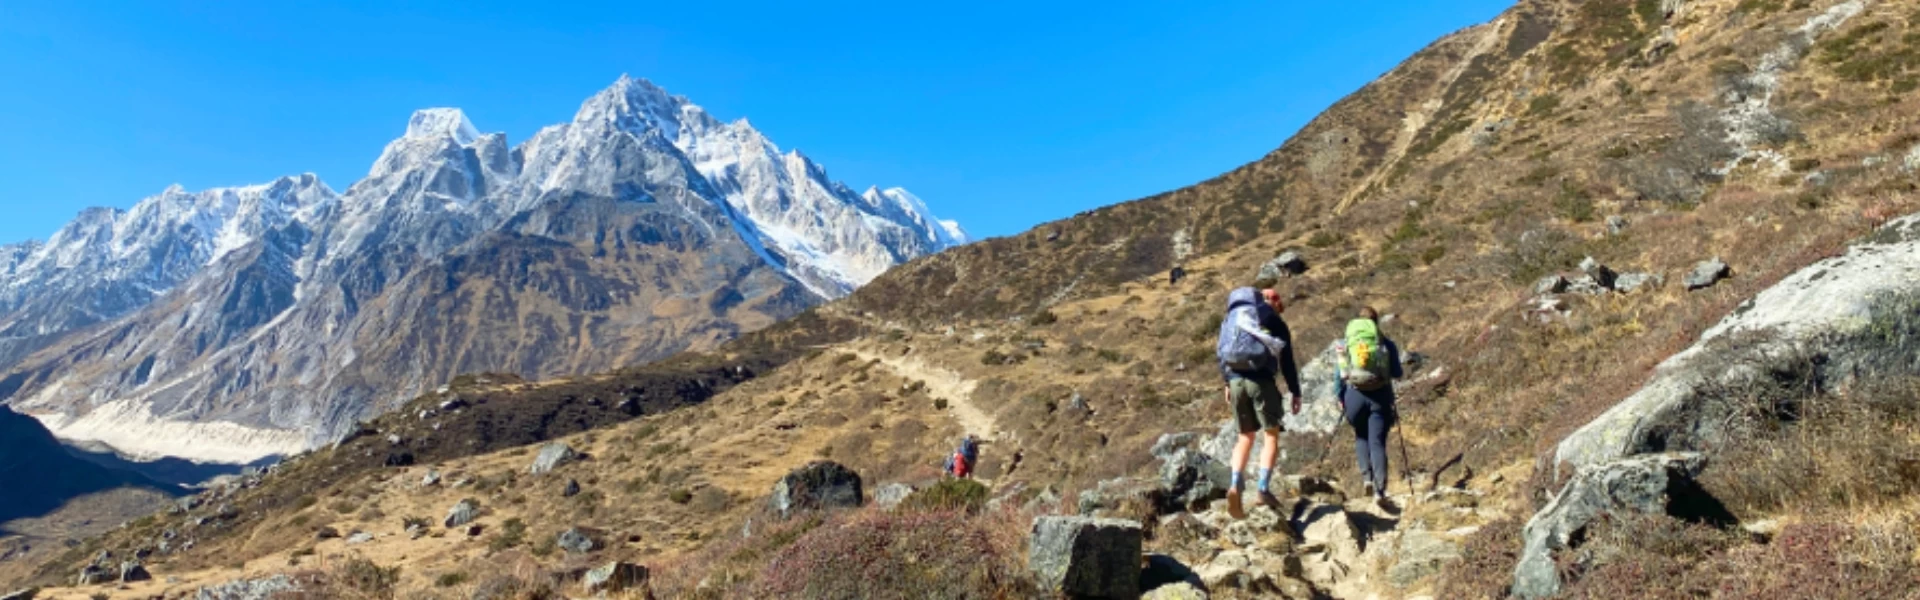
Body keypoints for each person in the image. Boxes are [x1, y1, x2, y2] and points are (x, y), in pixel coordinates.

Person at [1215, 287, 1302, 519]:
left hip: (1235, 382)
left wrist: (1227, 382)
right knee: (1271, 434)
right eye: (1270, 297)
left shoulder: (1232, 319)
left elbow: (1221, 353)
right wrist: (1295, 391)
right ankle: (1262, 489)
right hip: (1261, 381)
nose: (1272, 300)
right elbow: (1287, 361)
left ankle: (1235, 484)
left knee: (1245, 436)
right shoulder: (1275, 321)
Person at [1335, 307, 1404, 503]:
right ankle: (1380, 491)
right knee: (1377, 442)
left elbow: (1339, 376)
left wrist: (1340, 397)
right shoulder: (1386, 344)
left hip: (1354, 396)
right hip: (1380, 397)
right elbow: (1397, 373)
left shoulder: (1346, 344)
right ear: (1376, 323)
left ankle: (1367, 479)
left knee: (1361, 436)